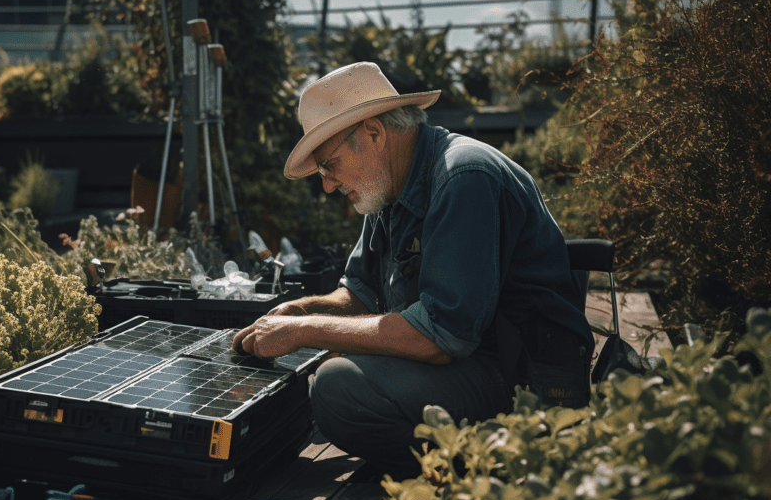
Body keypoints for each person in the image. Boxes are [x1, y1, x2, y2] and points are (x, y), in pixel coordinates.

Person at [232, 62, 594, 478]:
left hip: (524, 380)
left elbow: (441, 336)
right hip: (471, 362)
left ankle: (494, 473)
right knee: (325, 375)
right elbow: (360, 293)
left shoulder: (463, 176)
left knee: (336, 388)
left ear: (373, 134)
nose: (328, 184)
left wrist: (307, 331)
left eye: (329, 165)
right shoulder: (388, 184)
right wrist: (298, 311)